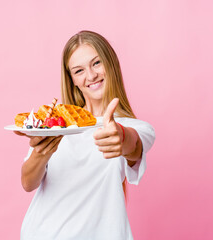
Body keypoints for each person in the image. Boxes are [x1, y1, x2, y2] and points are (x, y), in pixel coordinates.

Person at [15, 30, 155, 240]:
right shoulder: (57, 124)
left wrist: (120, 136)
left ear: (111, 64)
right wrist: (42, 152)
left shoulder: (138, 128)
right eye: (79, 70)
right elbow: (28, 183)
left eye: (96, 63)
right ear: (72, 80)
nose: (90, 76)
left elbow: (133, 146)